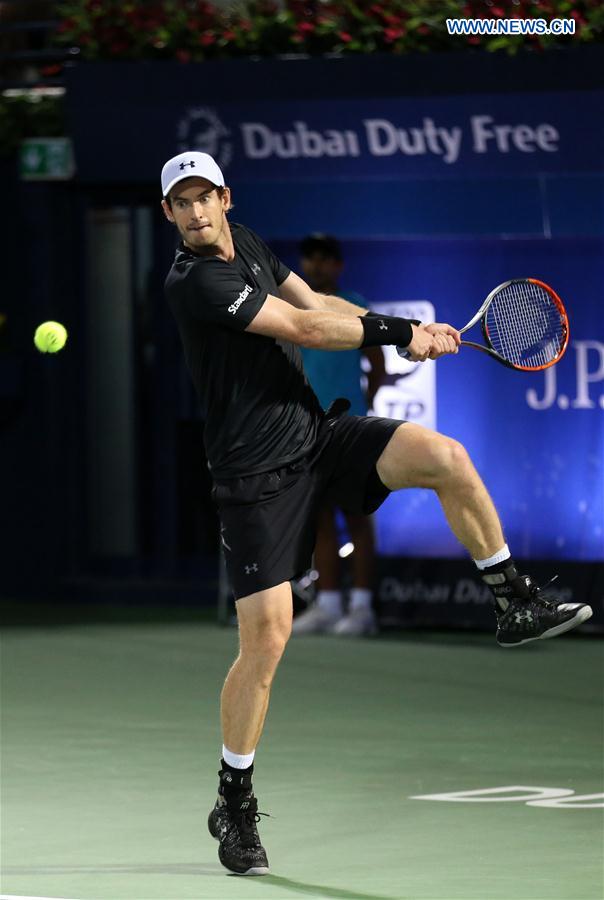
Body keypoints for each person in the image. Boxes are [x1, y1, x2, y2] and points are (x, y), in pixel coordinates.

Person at [161, 151, 592, 877]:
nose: (197, 212)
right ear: (170, 213)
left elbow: (326, 306)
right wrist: (397, 335)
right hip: (253, 473)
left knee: (447, 458)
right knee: (266, 640)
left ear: (225, 198)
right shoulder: (198, 279)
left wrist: (412, 331)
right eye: (182, 203)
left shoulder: (253, 241)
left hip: (316, 435)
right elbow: (301, 330)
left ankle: (511, 598)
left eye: (206, 197)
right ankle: (234, 798)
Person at [293, 233, 385, 637]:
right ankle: (329, 604)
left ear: (338, 265)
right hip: (305, 428)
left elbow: (377, 361)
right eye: (309, 258)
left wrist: (365, 402)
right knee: (320, 518)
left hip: (351, 428)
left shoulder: (355, 307)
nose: (316, 265)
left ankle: (362, 608)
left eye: (324, 258)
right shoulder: (292, 306)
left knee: (358, 518)